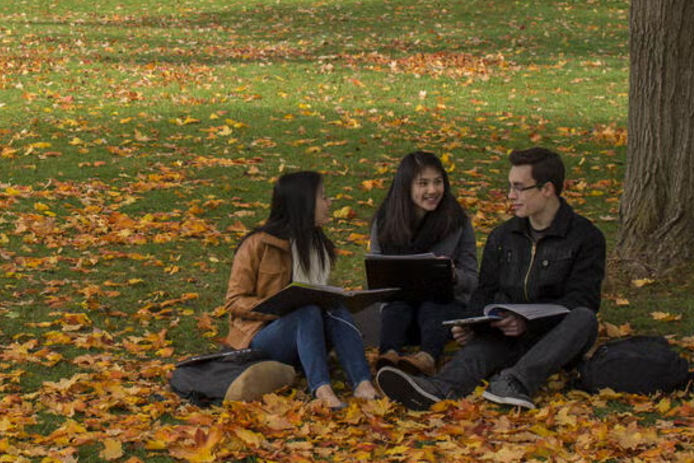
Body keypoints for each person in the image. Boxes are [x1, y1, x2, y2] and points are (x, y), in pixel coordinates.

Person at [378, 147, 605, 410]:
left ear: (547, 189)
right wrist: (473, 324)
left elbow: (582, 299)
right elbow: (484, 292)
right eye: (510, 186)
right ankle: (438, 389)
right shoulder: (503, 236)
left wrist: (528, 323)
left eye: (519, 188)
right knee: (483, 346)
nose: (511, 196)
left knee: (584, 318)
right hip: (506, 333)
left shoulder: (586, 237)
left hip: (554, 337)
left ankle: (515, 383)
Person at [225, 171, 380, 408]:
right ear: (303, 204)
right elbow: (234, 301)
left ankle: (362, 384)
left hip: (311, 334)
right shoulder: (257, 244)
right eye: (323, 197)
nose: (330, 203)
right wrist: (277, 308)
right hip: (264, 336)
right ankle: (321, 389)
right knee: (306, 311)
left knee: (334, 306)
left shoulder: (318, 245)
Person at [369, 152, 478, 376]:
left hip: (443, 315)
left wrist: (454, 276)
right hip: (400, 318)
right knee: (396, 307)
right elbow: (378, 285)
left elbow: (474, 280)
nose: (433, 190)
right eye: (423, 183)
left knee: (434, 304)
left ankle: (426, 359)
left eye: (438, 182)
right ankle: (387, 357)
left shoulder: (457, 220)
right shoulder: (385, 222)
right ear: (406, 187)